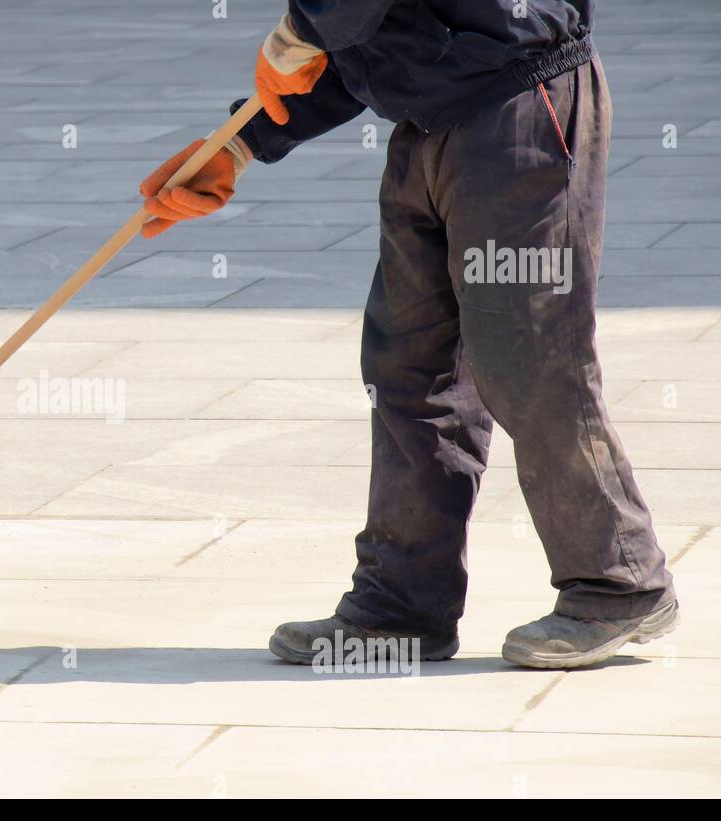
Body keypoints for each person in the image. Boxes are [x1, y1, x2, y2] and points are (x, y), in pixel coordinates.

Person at [139, 0, 679, 669]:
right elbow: (368, 35)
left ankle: (617, 581)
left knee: (530, 359)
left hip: (518, 104)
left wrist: (299, 32)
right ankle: (401, 605)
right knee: (408, 364)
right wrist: (244, 144)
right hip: (428, 122)